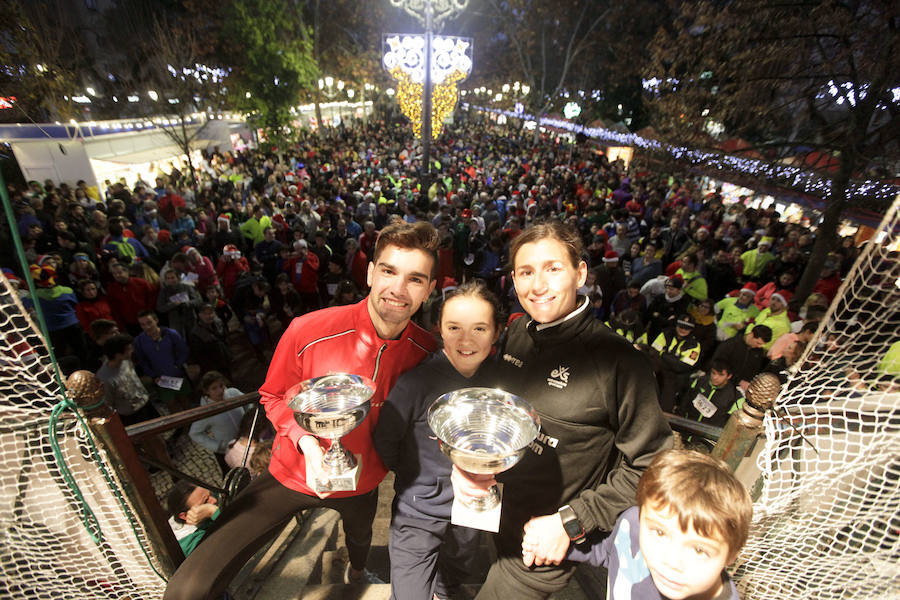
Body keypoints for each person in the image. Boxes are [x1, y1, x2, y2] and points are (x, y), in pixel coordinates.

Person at [163, 221, 441, 600]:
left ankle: (357, 572)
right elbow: (272, 395)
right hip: (291, 473)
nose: (397, 289)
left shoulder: (426, 353)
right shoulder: (309, 330)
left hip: (363, 482)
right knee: (189, 587)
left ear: (430, 289)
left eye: (415, 279)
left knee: (360, 540)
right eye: (389, 271)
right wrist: (306, 443)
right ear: (371, 273)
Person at [455, 221, 672, 599]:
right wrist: (472, 466)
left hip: (546, 542)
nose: (538, 286)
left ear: (581, 273)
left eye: (553, 269)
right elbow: (500, 412)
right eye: (526, 272)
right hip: (497, 514)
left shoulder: (619, 362)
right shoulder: (519, 331)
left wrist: (570, 522)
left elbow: (653, 466)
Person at [374, 280, 501, 600]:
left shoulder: (503, 380)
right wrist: (416, 478)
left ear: (496, 333)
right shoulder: (416, 383)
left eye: (480, 329)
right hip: (419, 514)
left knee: (453, 579)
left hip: (473, 511)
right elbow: (386, 441)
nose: (466, 340)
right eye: (454, 327)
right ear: (439, 329)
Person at [565, 449, 752, 600]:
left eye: (699, 550)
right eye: (660, 533)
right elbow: (609, 550)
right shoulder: (634, 524)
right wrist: (546, 540)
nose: (672, 562)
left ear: (732, 555)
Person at [189, 371, 249, 472]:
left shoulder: (233, 393)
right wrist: (218, 446)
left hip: (248, 439)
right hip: (232, 450)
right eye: (214, 388)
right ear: (206, 391)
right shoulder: (206, 412)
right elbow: (194, 433)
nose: (220, 391)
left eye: (221, 386)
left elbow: (248, 404)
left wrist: (251, 421)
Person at [676, 358, 740, 429]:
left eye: (721, 375)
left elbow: (731, 423)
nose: (715, 377)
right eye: (713, 373)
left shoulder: (735, 396)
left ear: (729, 376)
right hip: (686, 428)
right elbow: (685, 401)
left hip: (707, 436)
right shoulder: (699, 381)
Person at [167, 482, 220, 556]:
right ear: (185, 516)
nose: (214, 500)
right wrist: (213, 512)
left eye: (210, 494)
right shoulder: (191, 543)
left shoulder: (204, 496)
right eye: (206, 501)